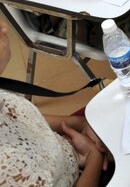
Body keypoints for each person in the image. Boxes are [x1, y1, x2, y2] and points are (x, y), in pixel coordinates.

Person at [0, 20, 110, 187]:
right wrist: (93, 157)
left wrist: (82, 124)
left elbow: (21, 118)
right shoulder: (9, 170)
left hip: (65, 148)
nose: (4, 26)